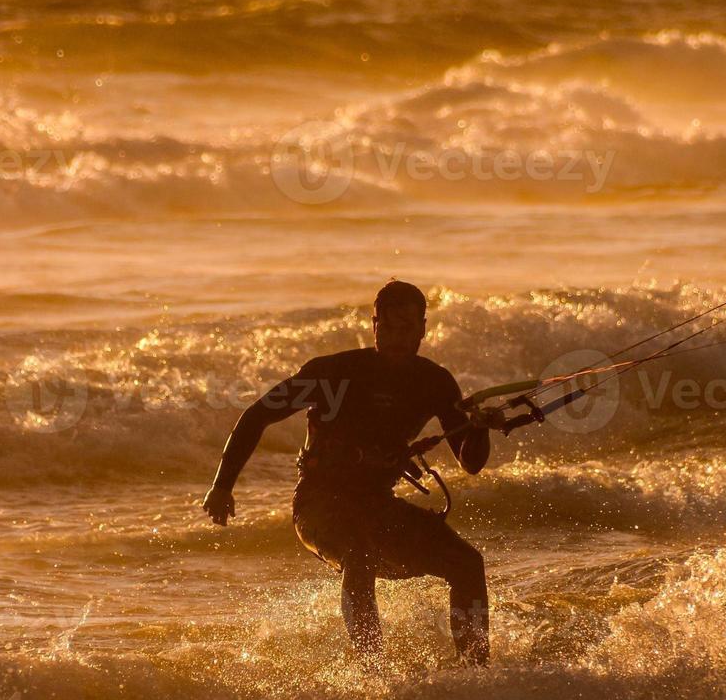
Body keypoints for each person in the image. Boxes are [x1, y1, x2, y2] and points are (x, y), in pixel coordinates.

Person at [201, 280, 502, 666]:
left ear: (423, 329)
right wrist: (222, 487)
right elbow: (257, 415)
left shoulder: (435, 383)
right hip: (318, 505)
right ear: (373, 324)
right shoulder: (333, 373)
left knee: (467, 563)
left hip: (378, 507)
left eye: (406, 329)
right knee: (359, 553)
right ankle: (372, 675)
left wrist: (478, 426)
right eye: (387, 327)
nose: (395, 338)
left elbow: (471, 462)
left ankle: (476, 673)